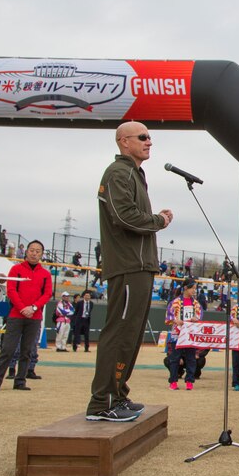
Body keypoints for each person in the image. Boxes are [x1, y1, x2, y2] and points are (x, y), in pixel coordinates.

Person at [86, 122, 173, 422]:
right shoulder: (118, 173)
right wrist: (158, 220)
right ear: (124, 142)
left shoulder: (133, 173)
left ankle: (118, 394)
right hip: (127, 265)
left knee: (132, 334)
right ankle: (102, 402)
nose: (149, 141)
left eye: (150, 137)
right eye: (143, 137)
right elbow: (124, 216)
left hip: (140, 265)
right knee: (120, 332)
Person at [0, 240, 52, 392]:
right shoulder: (16, 269)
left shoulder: (45, 274)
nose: (34, 253)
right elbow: (11, 290)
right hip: (16, 315)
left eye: (38, 251)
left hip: (34, 317)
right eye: (32, 250)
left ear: (41, 254)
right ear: (26, 252)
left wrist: (33, 308)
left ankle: (20, 380)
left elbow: (47, 294)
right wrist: (22, 308)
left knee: (27, 350)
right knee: (7, 349)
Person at [165, 278, 203, 390]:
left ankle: (189, 381)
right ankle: (173, 381)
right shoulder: (175, 302)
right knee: (174, 358)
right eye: (192, 288)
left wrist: (196, 318)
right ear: (186, 288)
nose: (194, 291)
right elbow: (168, 316)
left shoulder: (195, 303)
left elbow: (200, 315)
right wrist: (175, 321)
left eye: (195, 289)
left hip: (190, 334)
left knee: (191, 358)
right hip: (177, 333)